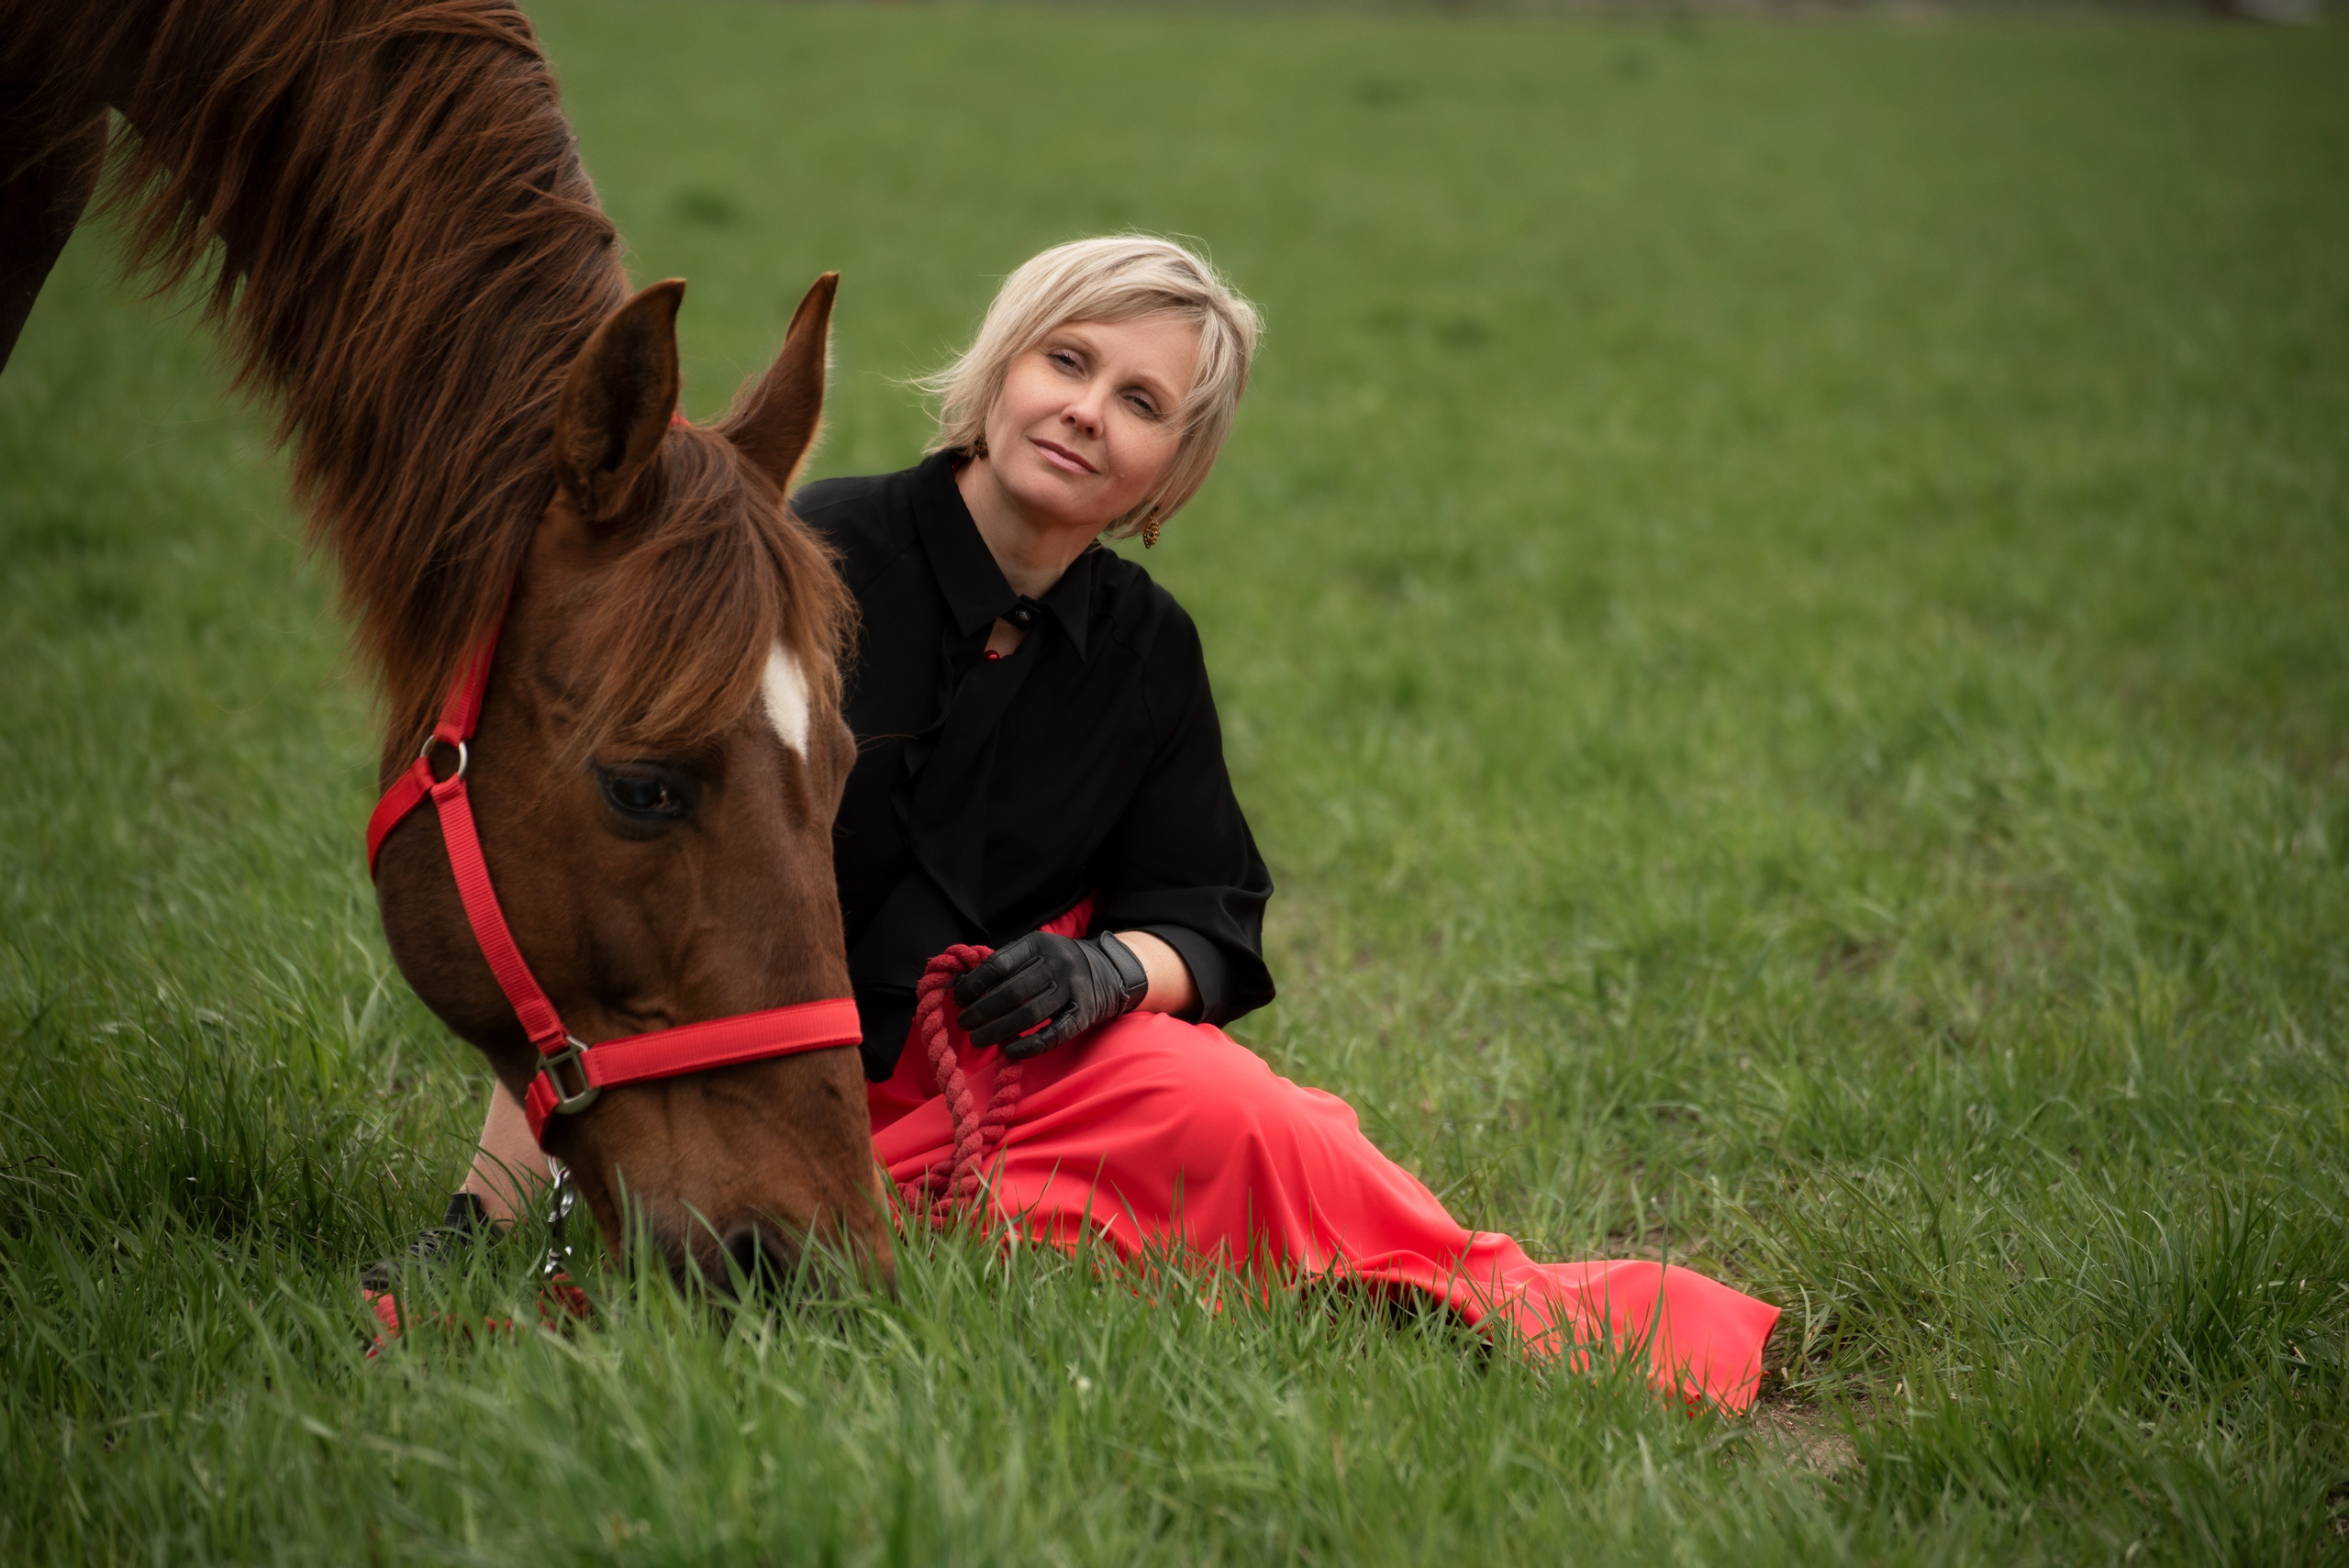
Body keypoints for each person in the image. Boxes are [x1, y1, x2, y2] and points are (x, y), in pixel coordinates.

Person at [399, 236, 1779, 1409]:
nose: (1086, 412)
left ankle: (1492, 1303)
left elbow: (1211, 917)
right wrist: (487, 1199)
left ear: (1171, 471)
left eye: (1141, 401)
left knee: (1250, 1120)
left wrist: (1109, 971)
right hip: (776, 1064)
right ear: (999, 368)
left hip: (1014, 1069)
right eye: (1066, 361)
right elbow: (638, 881)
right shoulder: (807, 554)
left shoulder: (1146, 651)